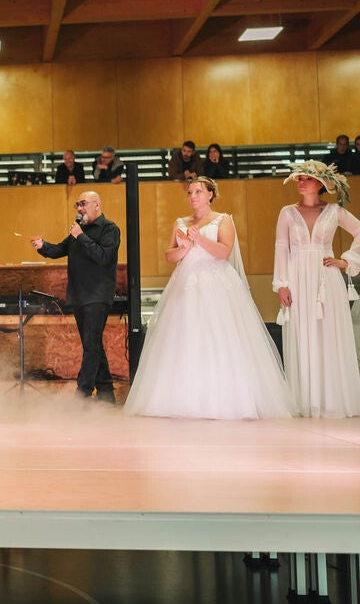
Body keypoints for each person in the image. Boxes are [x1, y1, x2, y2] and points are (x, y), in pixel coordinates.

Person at [124, 178, 295, 419]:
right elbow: (169, 255)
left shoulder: (223, 220)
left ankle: (225, 398)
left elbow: (224, 251)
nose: (193, 196)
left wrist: (199, 240)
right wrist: (184, 248)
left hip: (216, 282)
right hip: (185, 284)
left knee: (220, 335)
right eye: (190, 192)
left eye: (198, 191)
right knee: (184, 337)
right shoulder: (180, 222)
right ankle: (181, 398)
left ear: (210, 194)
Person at [273, 161, 360, 418]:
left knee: (329, 335)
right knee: (302, 335)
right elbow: (281, 248)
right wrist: (281, 283)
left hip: (326, 280)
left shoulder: (334, 211)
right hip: (297, 280)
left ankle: (331, 400)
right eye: (299, 178)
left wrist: (347, 261)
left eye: (307, 178)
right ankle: (306, 401)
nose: (301, 182)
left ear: (320, 183)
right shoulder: (287, 212)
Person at [31, 191, 120, 402]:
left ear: (97, 205)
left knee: (91, 346)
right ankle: (106, 394)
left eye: (83, 204)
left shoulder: (109, 229)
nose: (79, 209)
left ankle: (82, 395)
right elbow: (59, 250)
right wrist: (43, 246)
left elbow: (104, 257)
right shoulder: (78, 230)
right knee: (93, 345)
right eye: (77, 205)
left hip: (97, 296)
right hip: (79, 295)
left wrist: (81, 236)